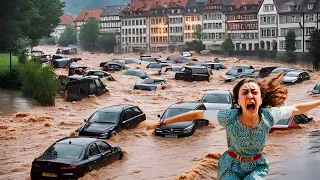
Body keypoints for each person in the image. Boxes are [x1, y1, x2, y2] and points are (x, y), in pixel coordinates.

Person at [139, 72, 320, 179]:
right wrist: (161, 122)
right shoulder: (228, 117)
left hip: (257, 166)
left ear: (261, 98)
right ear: (238, 100)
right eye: (245, 93)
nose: (250, 95)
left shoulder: (269, 116)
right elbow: (197, 113)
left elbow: (296, 108)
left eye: (254, 92)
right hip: (230, 165)